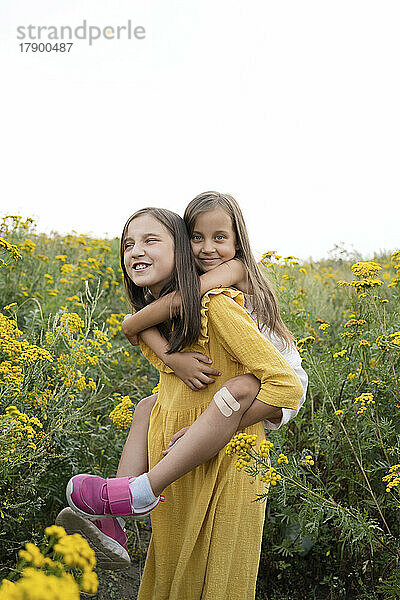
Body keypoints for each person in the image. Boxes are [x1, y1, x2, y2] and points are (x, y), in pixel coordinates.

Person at [60, 205, 304, 599]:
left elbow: (286, 383)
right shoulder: (167, 315)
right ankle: (115, 516)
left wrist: (212, 421)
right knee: (146, 407)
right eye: (128, 244)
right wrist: (150, 338)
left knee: (212, 581)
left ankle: (135, 494)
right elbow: (145, 334)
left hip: (252, 418)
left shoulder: (221, 292)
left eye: (151, 240)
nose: (136, 250)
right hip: (194, 455)